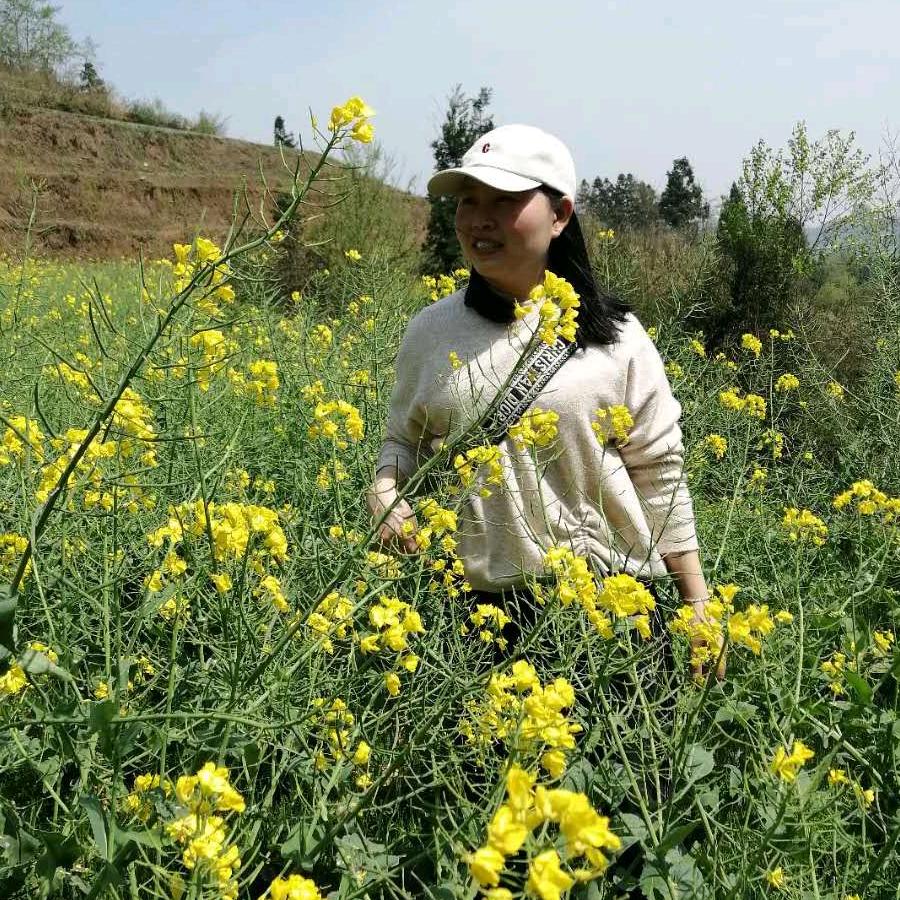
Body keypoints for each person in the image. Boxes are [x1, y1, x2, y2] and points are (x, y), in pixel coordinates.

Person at [365, 123, 724, 682]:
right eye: (467, 201)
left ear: (559, 215)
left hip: (615, 609)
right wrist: (385, 492)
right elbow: (401, 444)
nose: (479, 219)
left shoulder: (616, 336)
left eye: (505, 200)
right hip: (477, 617)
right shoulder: (430, 332)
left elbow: (659, 472)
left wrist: (697, 602)